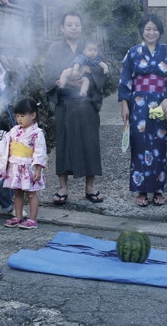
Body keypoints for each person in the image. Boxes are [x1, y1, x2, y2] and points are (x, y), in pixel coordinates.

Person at [119, 14, 167, 207]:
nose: (151, 32)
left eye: (155, 29)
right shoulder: (132, 52)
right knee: (139, 146)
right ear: (142, 31)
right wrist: (124, 104)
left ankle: (157, 189)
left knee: (159, 146)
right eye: (148, 28)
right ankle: (141, 190)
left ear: (160, 31)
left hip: (161, 103)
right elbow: (124, 80)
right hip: (138, 104)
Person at [44, 12, 106, 205]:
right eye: (69, 24)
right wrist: (73, 82)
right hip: (65, 103)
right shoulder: (55, 49)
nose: (73, 27)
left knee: (90, 143)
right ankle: (63, 187)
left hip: (86, 103)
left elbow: (101, 72)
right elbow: (50, 75)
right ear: (62, 28)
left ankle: (90, 186)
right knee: (64, 144)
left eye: (77, 24)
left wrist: (85, 75)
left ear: (81, 27)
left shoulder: (89, 47)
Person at [0, 98, 46, 229]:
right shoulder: (14, 130)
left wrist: (38, 169)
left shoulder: (37, 133)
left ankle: (32, 219)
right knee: (17, 192)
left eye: (22, 116)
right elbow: (5, 144)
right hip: (15, 166)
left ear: (33, 115)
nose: (19, 119)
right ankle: (18, 216)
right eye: (17, 116)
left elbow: (40, 151)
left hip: (29, 167)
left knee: (31, 193)